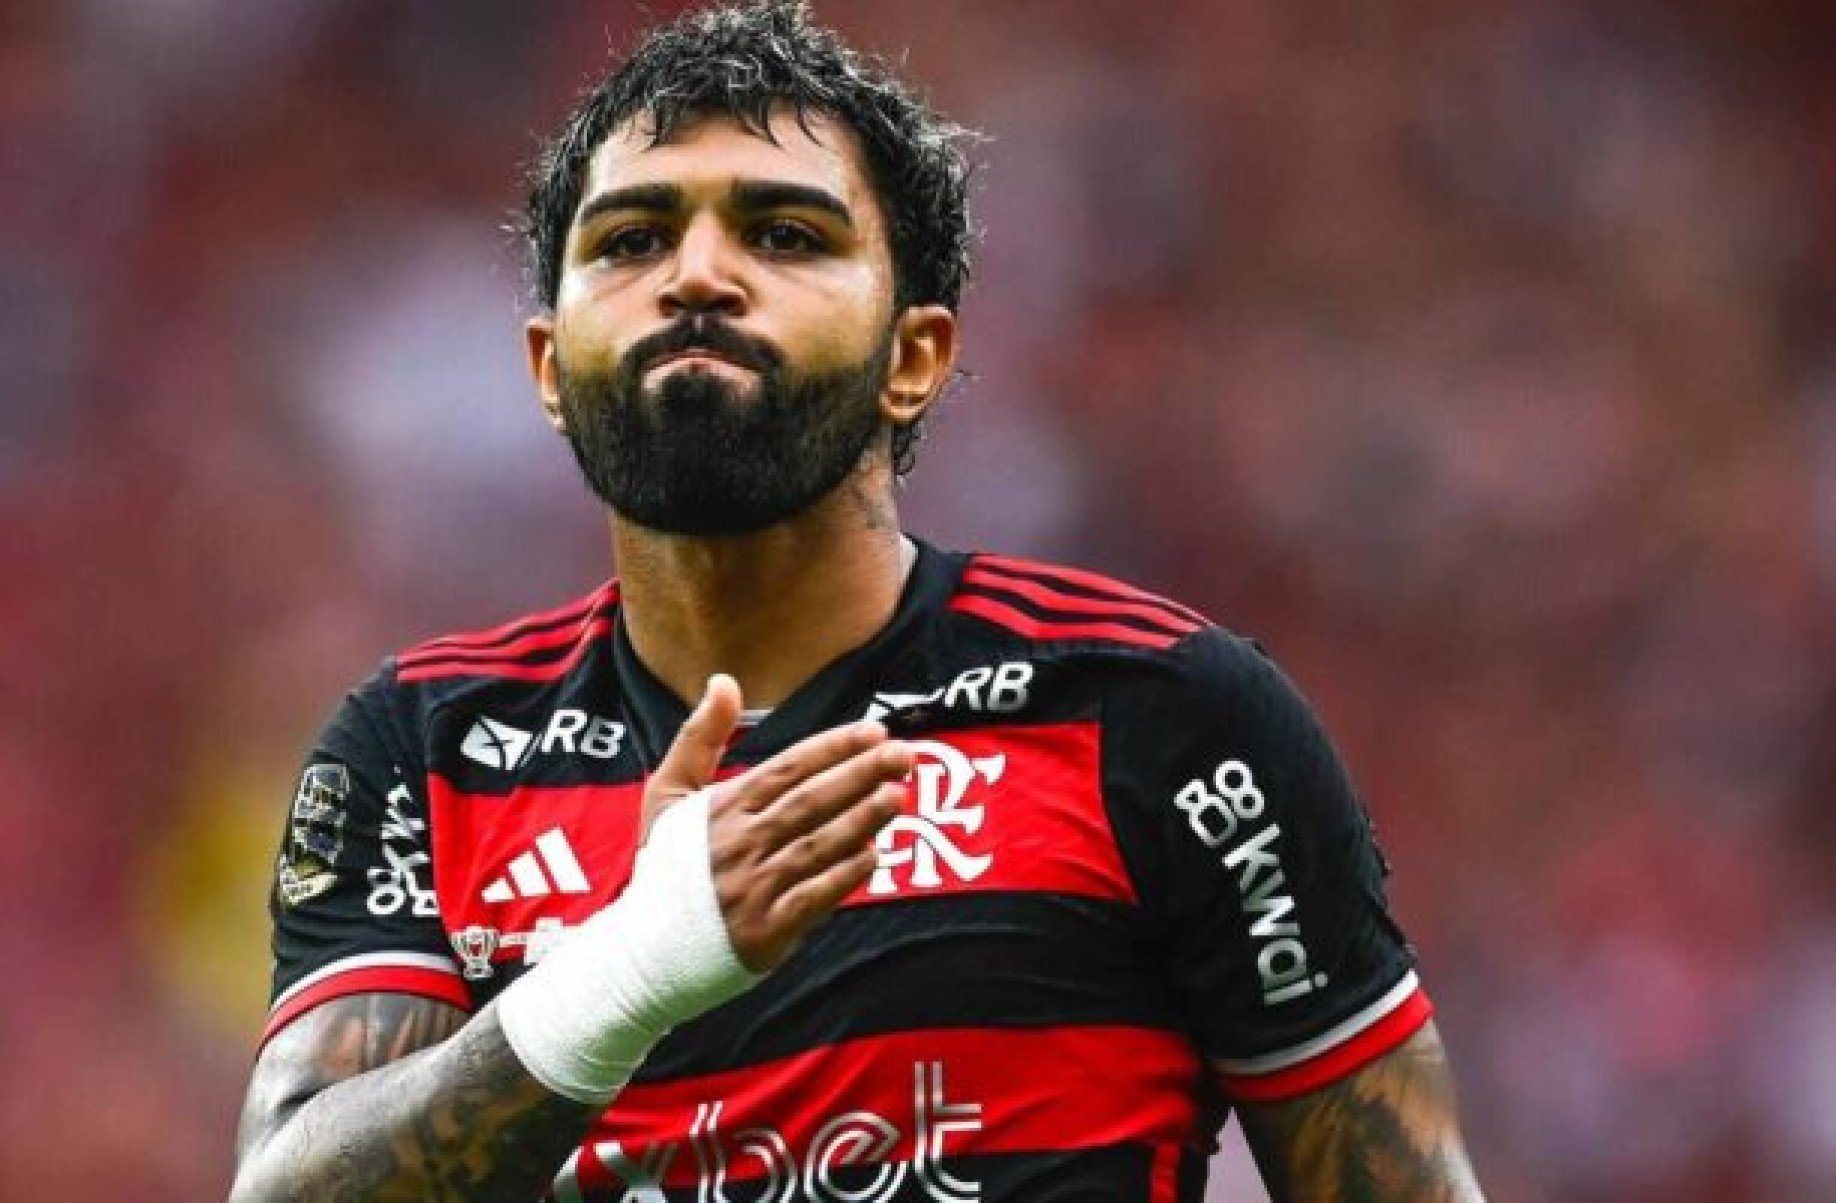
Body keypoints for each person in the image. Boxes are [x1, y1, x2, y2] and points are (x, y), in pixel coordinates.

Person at [230, 3, 1488, 1199]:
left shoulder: (1162, 715)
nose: (697, 276)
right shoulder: (427, 747)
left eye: (785, 234)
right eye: (631, 240)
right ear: (549, 369)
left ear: (913, 357)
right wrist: (625, 972)